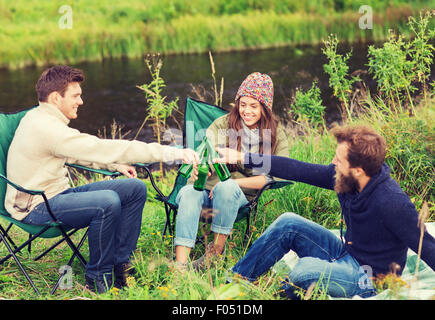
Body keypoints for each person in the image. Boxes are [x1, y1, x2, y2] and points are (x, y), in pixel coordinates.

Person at [4, 65, 198, 293]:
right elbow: (101, 147)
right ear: (57, 97)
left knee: (134, 188)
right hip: (35, 207)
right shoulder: (47, 128)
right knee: (106, 202)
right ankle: (97, 281)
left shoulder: (41, 118)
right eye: (76, 95)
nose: (81, 101)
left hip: (55, 196)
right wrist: (172, 153)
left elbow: (74, 151)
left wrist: (113, 165)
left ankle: (121, 266)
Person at [216, 125, 435, 299]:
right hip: (345, 254)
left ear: (358, 170)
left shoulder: (392, 203)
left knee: (303, 270)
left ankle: (280, 294)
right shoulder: (346, 177)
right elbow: (297, 169)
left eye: (338, 161)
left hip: (370, 279)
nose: (333, 163)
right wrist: (242, 157)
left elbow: (426, 245)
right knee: (288, 223)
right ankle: (232, 286)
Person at [174, 72, 289, 270]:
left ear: (265, 108)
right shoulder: (222, 125)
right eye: (242, 104)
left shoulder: (276, 134)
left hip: (239, 197)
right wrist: (198, 168)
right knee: (188, 191)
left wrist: (233, 182)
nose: (247, 111)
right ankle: (180, 266)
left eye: (254, 106)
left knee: (226, 188)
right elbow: (207, 154)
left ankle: (214, 255)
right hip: (204, 194)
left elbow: (273, 176)